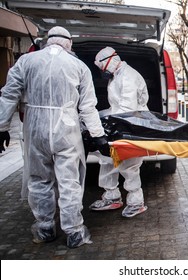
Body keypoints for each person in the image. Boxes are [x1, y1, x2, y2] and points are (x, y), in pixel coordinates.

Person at [0, 26, 110, 248]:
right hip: (67, 130)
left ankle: (45, 228)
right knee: (69, 182)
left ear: (47, 41)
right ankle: (74, 232)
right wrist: (99, 136)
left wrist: (1, 127)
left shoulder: (26, 62)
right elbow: (88, 106)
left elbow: (9, 94)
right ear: (69, 43)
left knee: (39, 180)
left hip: (35, 128)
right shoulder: (79, 66)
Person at [89, 46, 148, 218]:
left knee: (129, 166)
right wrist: (100, 117)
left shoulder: (128, 76)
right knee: (107, 160)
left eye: (103, 68)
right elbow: (115, 107)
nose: (103, 72)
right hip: (118, 125)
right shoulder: (117, 75)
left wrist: (108, 123)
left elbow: (126, 109)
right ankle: (111, 196)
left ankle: (136, 202)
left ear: (111, 60)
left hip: (131, 125)